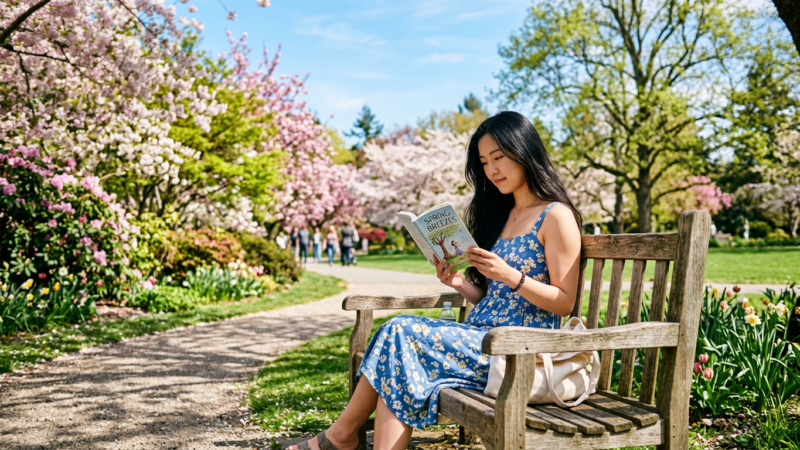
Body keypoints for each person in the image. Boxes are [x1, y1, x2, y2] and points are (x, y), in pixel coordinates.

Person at [285, 111, 582, 450]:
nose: (492, 170)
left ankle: (341, 437)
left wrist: (511, 276)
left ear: (524, 150)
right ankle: (342, 437)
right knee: (398, 342)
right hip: (480, 337)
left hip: (516, 351)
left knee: (400, 334)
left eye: (499, 158)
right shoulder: (505, 215)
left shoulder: (555, 216)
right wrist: (459, 284)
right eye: (484, 162)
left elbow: (564, 301)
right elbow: (494, 299)